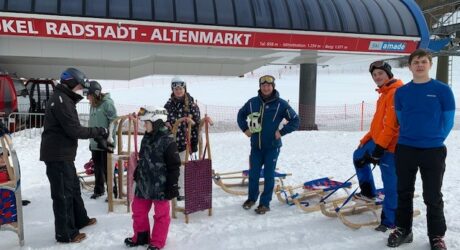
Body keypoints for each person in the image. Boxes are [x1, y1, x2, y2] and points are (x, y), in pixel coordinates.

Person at [387, 49, 455, 250]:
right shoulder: (402, 92)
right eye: (416, 62)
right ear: (410, 66)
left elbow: (449, 120)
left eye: (423, 61)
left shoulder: (442, 90)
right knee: (403, 192)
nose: (419, 65)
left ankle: (436, 236)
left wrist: (435, 138)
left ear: (430, 65)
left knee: (433, 195)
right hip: (406, 148)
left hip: (433, 151)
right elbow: (400, 117)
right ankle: (403, 230)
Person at [40, 68, 110, 243]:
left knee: (73, 189)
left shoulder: (64, 99)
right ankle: (65, 233)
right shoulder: (62, 100)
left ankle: (80, 219)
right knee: (63, 194)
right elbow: (74, 130)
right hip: (57, 155)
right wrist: (99, 131)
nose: (80, 90)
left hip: (64, 154)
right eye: (79, 86)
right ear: (70, 83)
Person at [237, 75, 299, 214]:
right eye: (263, 85)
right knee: (253, 174)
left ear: (273, 87)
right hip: (256, 147)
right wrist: (245, 129)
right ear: (260, 87)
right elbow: (241, 115)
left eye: (269, 86)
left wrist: (282, 132)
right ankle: (252, 198)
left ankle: (265, 203)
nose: (266, 88)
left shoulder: (281, 104)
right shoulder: (252, 103)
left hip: (272, 147)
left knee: (269, 175)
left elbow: (295, 120)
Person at [352, 61, 403, 232]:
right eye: (374, 75)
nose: (377, 77)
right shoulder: (384, 93)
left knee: (390, 183)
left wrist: (378, 149)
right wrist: (366, 140)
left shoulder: (395, 93)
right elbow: (378, 124)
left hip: (390, 146)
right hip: (379, 139)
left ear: (388, 74)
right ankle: (368, 192)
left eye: (380, 73)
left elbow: (391, 126)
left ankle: (390, 220)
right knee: (358, 156)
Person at [124, 106, 181, 250]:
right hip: (144, 183)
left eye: (146, 122)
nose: (144, 125)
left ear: (156, 122)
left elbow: (174, 166)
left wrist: (172, 185)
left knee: (161, 214)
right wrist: (137, 172)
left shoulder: (168, 141)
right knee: (138, 209)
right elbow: (143, 158)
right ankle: (141, 236)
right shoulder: (147, 138)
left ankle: (157, 241)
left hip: (161, 186)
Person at [163, 77, 200, 200]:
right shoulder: (168, 105)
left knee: (182, 166)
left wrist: (194, 143)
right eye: (176, 89)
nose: (178, 91)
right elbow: (163, 120)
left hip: (185, 141)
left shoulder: (191, 105)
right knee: (172, 167)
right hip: (171, 142)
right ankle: (173, 189)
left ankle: (182, 191)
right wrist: (166, 123)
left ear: (185, 89)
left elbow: (197, 125)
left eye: (180, 88)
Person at [87, 80, 118, 199]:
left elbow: (114, 121)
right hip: (95, 143)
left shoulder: (107, 104)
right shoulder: (92, 105)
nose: (87, 98)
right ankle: (99, 190)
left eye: (89, 95)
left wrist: (109, 137)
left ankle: (113, 191)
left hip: (105, 142)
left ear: (95, 93)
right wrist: (91, 141)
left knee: (107, 168)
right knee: (97, 168)